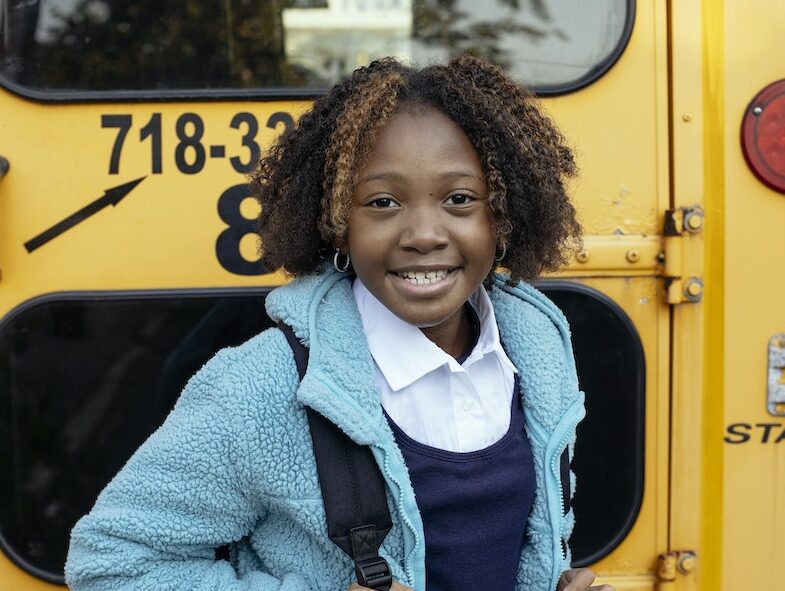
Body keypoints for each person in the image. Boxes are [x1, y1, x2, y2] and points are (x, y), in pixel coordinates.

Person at [66, 56, 613, 591]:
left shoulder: (538, 352)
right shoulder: (262, 387)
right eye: (382, 201)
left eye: (459, 199)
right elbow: (111, 564)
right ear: (336, 224)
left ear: (505, 215)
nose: (424, 233)